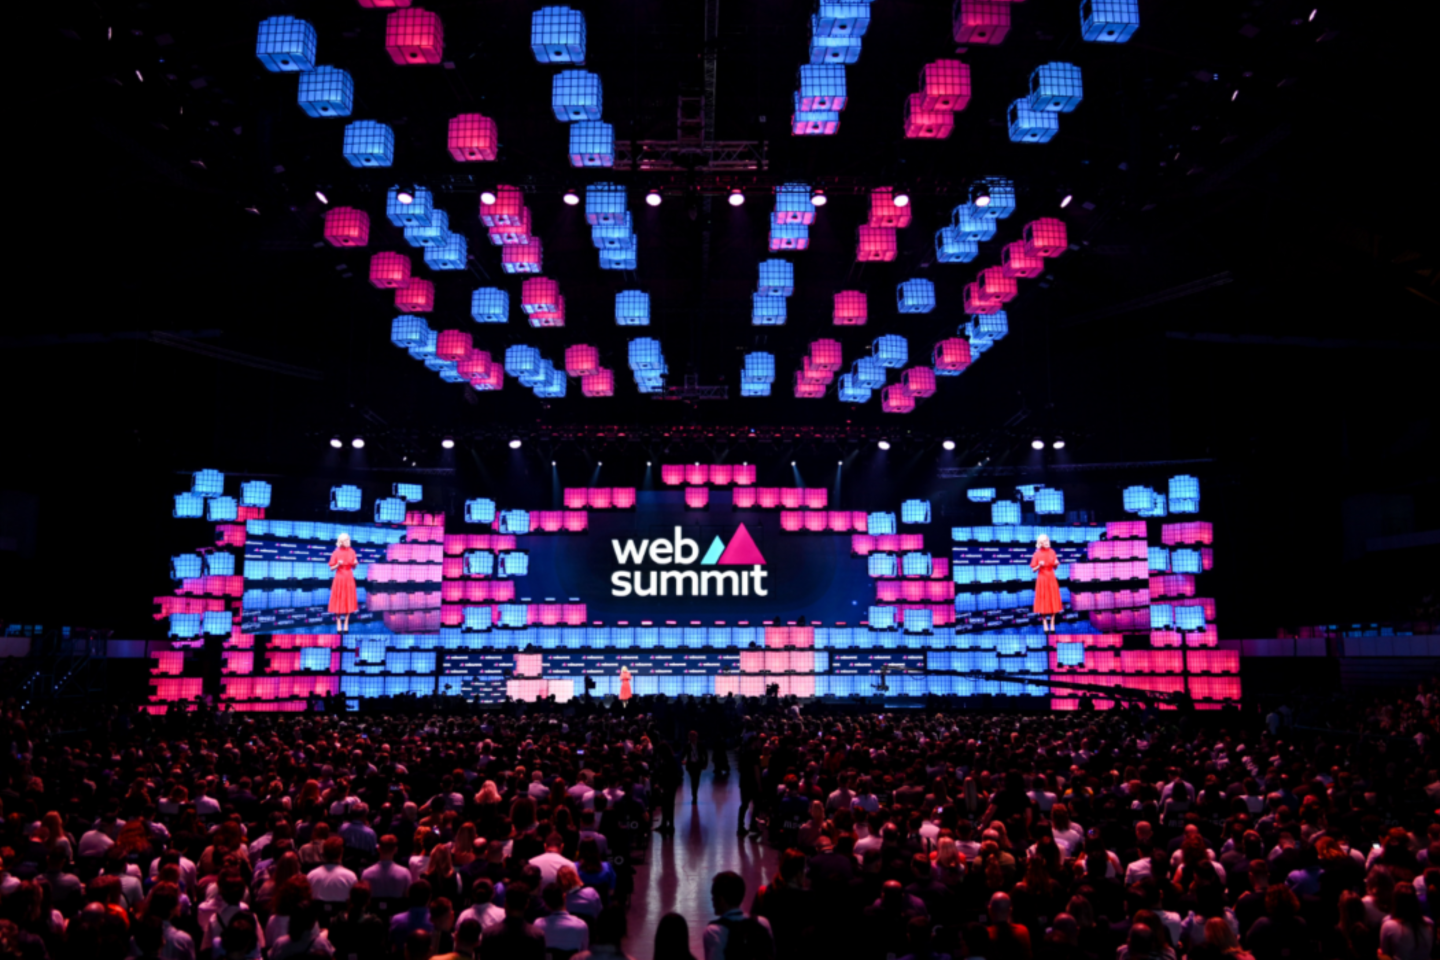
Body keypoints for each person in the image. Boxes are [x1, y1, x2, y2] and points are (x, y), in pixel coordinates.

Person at [702, 871, 773, 960]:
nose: (712, 899)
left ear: (721, 899)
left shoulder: (713, 931)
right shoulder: (763, 922)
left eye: (714, 896)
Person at [1378, 882, 1435, 960]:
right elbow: (1431, 951)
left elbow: (1386, 953)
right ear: (1415, 901)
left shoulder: (1388, 925)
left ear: (1395, 901)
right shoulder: (1429, 923)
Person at [1029, 534, 1062, 633]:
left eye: (1047, 540)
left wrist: (1056, 564)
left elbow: (1055, 567)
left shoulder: (1052, 552)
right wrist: (1039, 565)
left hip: (1051, 578)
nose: (1047, 543)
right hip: (1042, 579)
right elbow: (1033, 570)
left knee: (1053, 600)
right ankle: (1044, 623)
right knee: (1043, 601)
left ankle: (1052, 623)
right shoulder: (1037, 554)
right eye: (1044, 541)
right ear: (1040, 543)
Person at [328, 532, 359, 633]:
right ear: (341, 542)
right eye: (346, 540)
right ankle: (338, 622)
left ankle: (346, 623)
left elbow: (354, 567)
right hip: (339, 579)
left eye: (348, 540)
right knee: (338, 600)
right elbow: (331, 568)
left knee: (348, 601)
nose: (348, 542)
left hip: (349, 578)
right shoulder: (336, 553)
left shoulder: (352, 551)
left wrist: (355, 564)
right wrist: (337, 564)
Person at [682, 731, 709, 805]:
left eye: (692, 736)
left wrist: (705, 764)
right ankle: (694, 795)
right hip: (691, 765)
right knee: (693, 780)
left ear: (696, 737)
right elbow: (683, 754)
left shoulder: (700, 744)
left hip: (698, 765)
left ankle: (694, 795)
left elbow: (705, 754)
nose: (690, 738)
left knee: (696, 780)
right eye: (690, 736)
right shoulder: (687, 745)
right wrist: (681, 760)